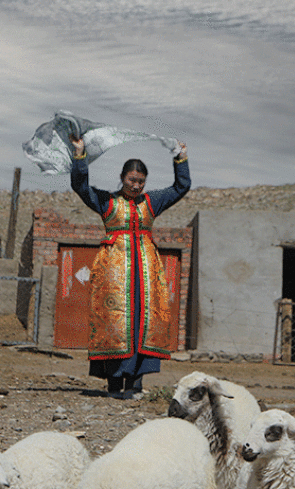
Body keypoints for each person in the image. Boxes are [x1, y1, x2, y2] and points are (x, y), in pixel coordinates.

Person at [69, 135, 190, 399]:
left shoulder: (152, 202)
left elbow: (182, 186)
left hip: (146, 276)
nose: (135, 186)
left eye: (140, 182)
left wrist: (180, 157)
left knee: (143, 324)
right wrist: (80, 155)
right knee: (115, 325)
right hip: (114, 275)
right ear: (122, 177)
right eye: (131, 180)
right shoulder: (107, 202)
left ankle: (135, 384)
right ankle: (113, 385)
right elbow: (80, 185)